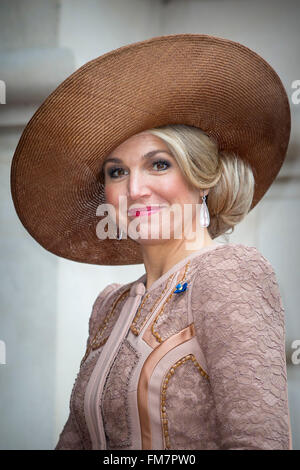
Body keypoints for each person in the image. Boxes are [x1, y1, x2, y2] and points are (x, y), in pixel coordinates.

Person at [10, 34, 292, 450]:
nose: (135, 189)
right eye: (117, 172)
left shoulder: (231, 274)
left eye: (159, 164)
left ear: (203, 181)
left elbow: (259, 441)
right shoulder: (110, 304)